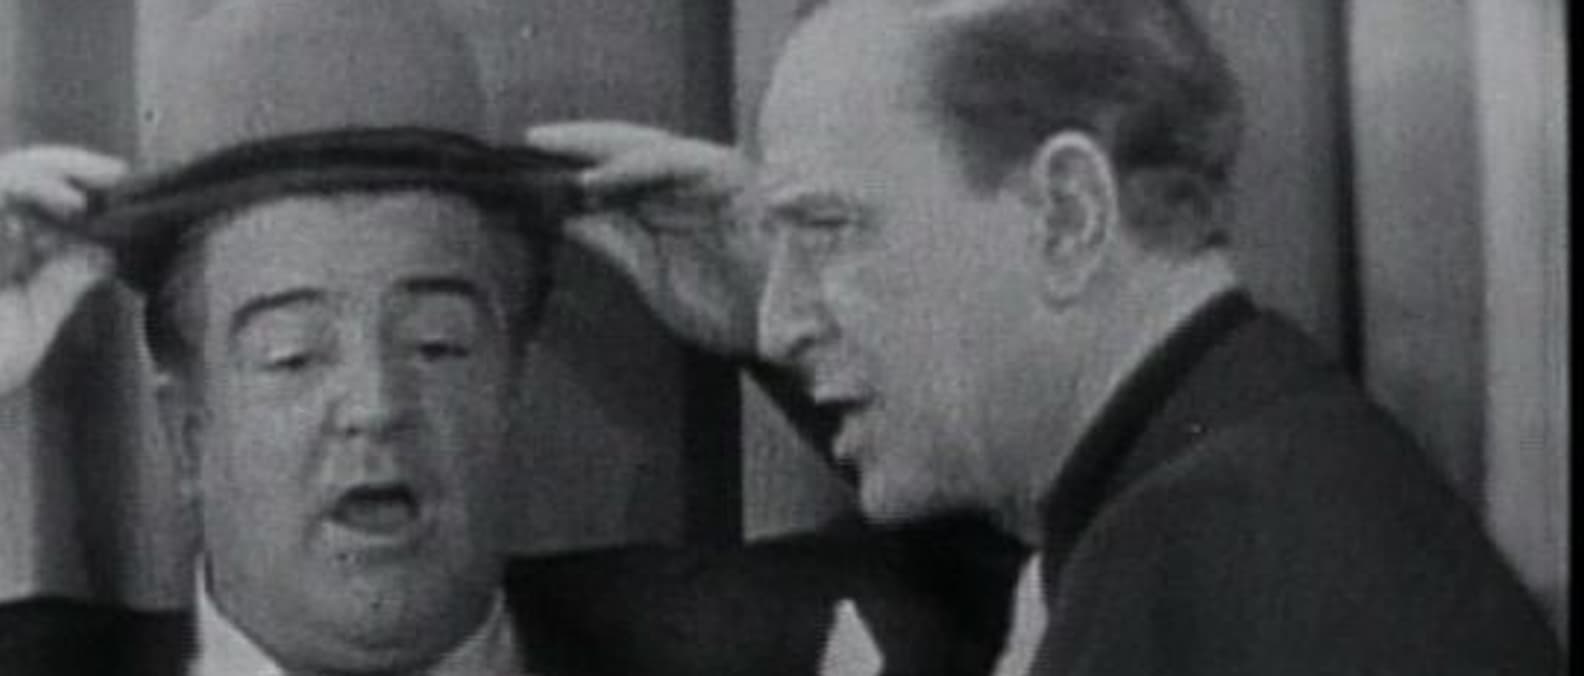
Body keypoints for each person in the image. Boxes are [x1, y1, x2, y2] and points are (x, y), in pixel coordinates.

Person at [0, 1, 1024, 674]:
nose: (376, 402)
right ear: (186, 427)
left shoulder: (743, 649)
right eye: (289, 353)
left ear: (511, 381)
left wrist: (795, 321)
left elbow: (1070, 572)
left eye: (438, 342)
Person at [528, 0, 1566, 673]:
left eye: (830, 226)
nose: (777, 317)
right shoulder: (1257, 454)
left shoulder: (1193, 556)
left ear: (1069, 214)